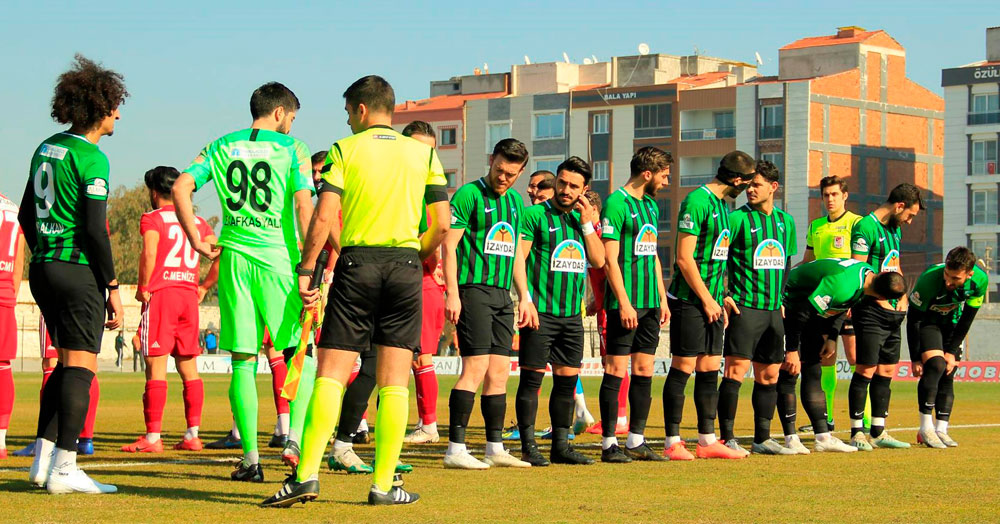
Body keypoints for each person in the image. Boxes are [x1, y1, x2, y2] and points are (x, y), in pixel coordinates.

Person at [263, 75, 450, 507]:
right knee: (394, 381)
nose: (347, 121)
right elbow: (442, 225)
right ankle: (384, 486)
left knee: (330, 372)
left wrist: (307, 268)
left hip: (356, 264)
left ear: (362, 109)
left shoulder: (346, 149)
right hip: (405, 268)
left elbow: (324, 216)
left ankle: (306, 476)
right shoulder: (424, 153)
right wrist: (413, 254)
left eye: (348, 112)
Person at [173, 81, 315, 482]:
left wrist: (196, 238)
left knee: (242, 361)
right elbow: (305, 207)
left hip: (234, 259)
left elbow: (181, 186)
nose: (291, 125)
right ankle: (295, 440)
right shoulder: (293, 149)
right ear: (280, 112)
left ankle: (251, 461)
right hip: (278, 261)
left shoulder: (220, 145)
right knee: (299, 355)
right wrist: (310, 264)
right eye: (291, 117)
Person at [19, 54, 125, 494]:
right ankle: (66, 467)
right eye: (115, 106)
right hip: (76, 270)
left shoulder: (46, 147)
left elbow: (28, 212)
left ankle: (42, 462)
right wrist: (113, 286)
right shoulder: (92, 158)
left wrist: (46, 248)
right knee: (82, 366)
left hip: (42, 268)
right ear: (100, 110)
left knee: (63, 366)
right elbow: (96, 231)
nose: (119, 114)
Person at [440, 138, 532, 471]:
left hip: (501, 296)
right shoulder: (468, 195)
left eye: (511, 173)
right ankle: (455, 449)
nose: (503, 177)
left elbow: (517, 257)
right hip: (473, 291)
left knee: (499, 374)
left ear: (520, 172)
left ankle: (495, 447)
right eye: (499, 169)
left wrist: (525, 297)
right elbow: (449, 247)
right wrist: (452, 292)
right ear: (491, 160)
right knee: (474, 369)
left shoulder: (517, 205)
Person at [662, 151, 753, 461]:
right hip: (690, 300)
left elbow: (716, 257)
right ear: (738, 181)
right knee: (684, 367)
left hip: (713, 300)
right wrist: (706, 298)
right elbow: (684, 259)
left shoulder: (723, 206)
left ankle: (707, 440)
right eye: (748, 183)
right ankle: (672, 441)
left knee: (710, 367)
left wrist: (721, 295)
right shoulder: (697, 202)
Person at [121, 166, 218, 453]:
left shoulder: (153, 218)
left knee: (155, 367)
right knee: (189, 368)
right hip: (188, 295)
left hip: (162, 294)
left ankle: (153, 437)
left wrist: (143, 287)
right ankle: (193, 434)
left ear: (153, 192)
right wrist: (204, 286)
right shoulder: (199, 222)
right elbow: (218, 251)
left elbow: (149, 252)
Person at [515, 156, 604, 466]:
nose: (566, 190)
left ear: (584, 189)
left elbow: (599, 260)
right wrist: (524, 298)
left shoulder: (583, 221)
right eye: (562, 183)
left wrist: (587, 223)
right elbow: (518, 259)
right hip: (540, 312)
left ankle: (561, 446)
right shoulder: (534, 215)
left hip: (571, 316)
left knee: (567, 381)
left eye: (573, 186)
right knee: (532, 380)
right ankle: (528, 446)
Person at [717, 160, 799, 455]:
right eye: (748, 185)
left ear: (773, 188)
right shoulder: (736, 219)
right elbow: (718, 259)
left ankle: (762, 438)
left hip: (773, 311)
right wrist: (724, 294)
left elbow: (787, 264)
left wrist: (782, 301)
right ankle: (727, 438)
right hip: (744, 308)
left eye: (756, 185)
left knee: (770, 376)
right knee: (735, 372)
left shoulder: (786, 222)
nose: (749, 190)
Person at [783, 258, 905, 452]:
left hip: (806, 308)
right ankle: (787, 437)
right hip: (786, 304)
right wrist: (791, 351)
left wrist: (832, 336)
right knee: (787, 373)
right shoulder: (843, 284)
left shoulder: (868, 274)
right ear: (881, 297)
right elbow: (803, 314)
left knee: (813, 371)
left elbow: (843, 305)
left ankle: (822, 437)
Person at [597, 147, 671, 463]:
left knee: (643, 370)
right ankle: (609, 443)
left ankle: (636, 441)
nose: (667, 182)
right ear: (648, 173)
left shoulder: (652, 206)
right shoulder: (616, 203)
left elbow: (652, 254)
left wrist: (662, 296)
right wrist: (625, 303)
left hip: (651, 304)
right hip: (624, 304)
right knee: (616, 369)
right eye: (665, 175)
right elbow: (609, 259)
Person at [848, 183, 922, 450]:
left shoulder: (895, 230)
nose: (910, 221)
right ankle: (857, 432)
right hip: (869, 309)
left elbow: (895, 264)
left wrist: (902, 296)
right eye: (910, 215)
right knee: (865, 368)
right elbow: (860, 270)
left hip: (893, 312)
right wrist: (882, 300)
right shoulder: (865, 227)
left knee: (887, 369)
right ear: (899, 206)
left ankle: (879, 432)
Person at [800, 175, 865, 433]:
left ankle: (866, 422)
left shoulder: (857, 224)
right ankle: (824, 417)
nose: (830, 199)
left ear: (845, 195)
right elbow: (808, 261)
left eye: (834, 194)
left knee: (857, 359)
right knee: (825, 357)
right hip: (823, 302)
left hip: (850, 300)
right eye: (826, 195)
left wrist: (855, 295)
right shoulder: (816, 226)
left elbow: (862, 263)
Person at [907, 247, 987, 448]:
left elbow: (967, 318)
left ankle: (941, 429)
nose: (948, 282)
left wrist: (951, 352)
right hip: (928, 323)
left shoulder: (980, 281)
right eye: (947, 275)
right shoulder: (929, 280)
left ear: (969, 274)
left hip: (952, 323)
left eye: (955, 279)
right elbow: (914, 319)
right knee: (935, 365)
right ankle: (925, 429)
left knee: (949, 371)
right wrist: (915, 357)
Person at [401, 120, 447, 445]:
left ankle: (428, 425)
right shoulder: (409, 189)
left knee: (420, 357)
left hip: (423, 282)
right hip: (414, 281)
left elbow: (438, 235)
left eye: (430, 151)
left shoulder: (429, 196)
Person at [0, 192, 25, 460]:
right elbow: (19, 263)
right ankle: (1, 440)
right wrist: (11, 295)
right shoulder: (13, 208)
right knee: (3, 367)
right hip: (5, 293)